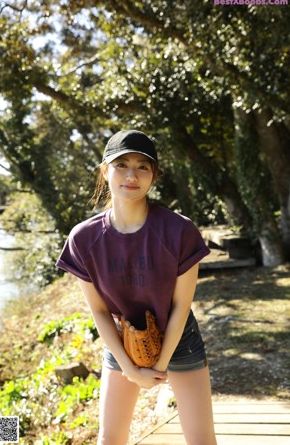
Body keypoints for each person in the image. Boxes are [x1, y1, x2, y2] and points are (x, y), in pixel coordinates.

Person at [56, 130, 217, 445]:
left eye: (143, 166)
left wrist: (156, 368)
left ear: (154, 176)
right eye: (121, 164)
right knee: (110, 438)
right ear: (105, 170)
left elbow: (181, 307)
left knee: (201, 440)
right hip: (121, 339)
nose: (132, 175)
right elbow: (99, 310)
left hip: (178, 338)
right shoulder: (83, 239)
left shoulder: (179, 231)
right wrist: (131, 370)